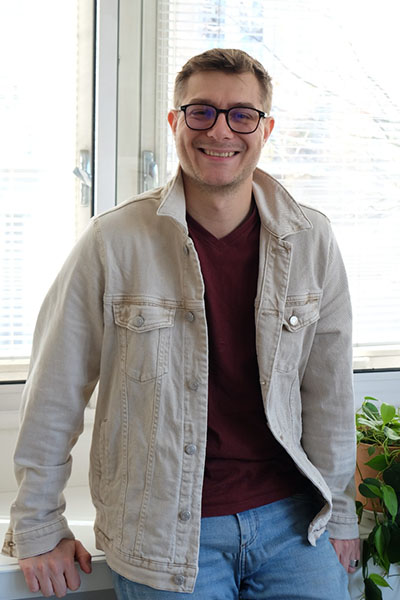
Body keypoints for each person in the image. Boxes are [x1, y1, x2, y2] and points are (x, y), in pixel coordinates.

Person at [2, 48, 360, 599]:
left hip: (293, 523)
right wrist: (38, 525)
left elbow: (330, 394)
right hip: (163, 530)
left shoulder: (312, 240)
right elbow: (55, 390)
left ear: (266, 130)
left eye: (242, 115)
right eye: (201, 112)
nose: (220, 130)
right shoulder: (113, 242)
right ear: (175, 122)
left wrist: (339, 514)